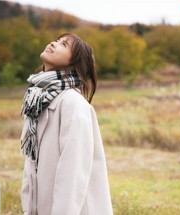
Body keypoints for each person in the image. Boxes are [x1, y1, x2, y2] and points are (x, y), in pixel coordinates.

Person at [20, 33, 113, 215]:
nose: (53, 43)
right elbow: (32, 163)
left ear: (74, 62)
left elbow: (73, 171)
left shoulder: (73, 103)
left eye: (63, 44)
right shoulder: (37, 99)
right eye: (56, 40)